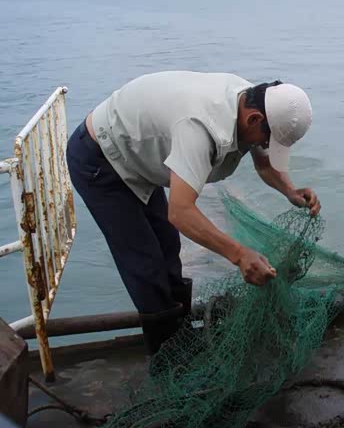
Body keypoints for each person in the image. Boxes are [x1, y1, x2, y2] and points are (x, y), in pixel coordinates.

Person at [66, 71, 321, 354]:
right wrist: (239, 255)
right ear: (253, 120)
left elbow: (264, 164)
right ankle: (167, 358)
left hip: (134, 154)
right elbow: (181, 212)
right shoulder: (200, 129)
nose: (264, 147)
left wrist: (290, 191)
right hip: (99, 158)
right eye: (266, 141)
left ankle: (180, 335)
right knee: (145, 262)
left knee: (167, 245)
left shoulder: (258, 102)